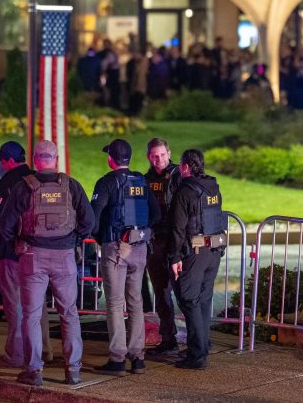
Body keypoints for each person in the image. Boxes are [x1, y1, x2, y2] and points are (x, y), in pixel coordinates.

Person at [0, 140, 94, 387]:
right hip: (64, 257)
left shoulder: (24, 187)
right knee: (69, 314)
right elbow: (88, 221)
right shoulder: (71, 185)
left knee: (31, 315)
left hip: (33, 256)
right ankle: (73, 370)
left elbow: (5, 224)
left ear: (35, 160)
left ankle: (34, 370)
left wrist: (18, 243)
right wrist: (73, 239)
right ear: (56, 159)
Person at [0, 141, 51, 367]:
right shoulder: (36, 179)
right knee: (37, 305)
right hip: (40, 252)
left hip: (13, 252)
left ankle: (18, 354)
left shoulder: (8, 182)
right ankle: (44, 349)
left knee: (15, 304)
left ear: (8, 161)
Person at [91, 139, 160, 376]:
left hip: (116, 248)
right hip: (139, 247)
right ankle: (138, 357)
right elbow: (156, 214)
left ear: (111, 159)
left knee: (114, 303)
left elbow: (93, 218)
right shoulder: (141, 181)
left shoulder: (106, 182)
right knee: (135, 302)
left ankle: (117, 358)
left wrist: (99, 238)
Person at [169, 149, 227, 370]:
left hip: (195, 252)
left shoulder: (185, 191)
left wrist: (175, 256)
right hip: (214, 251)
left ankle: (197, 355)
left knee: (190, 300)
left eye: (181, 165)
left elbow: (177, 228)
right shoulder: (213, 187)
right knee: (203, 300)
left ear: (185, 167)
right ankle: (202, 345)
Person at [143, 138, 182, 355]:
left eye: (162, 155)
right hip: (155, 241)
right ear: (149, 157)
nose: (159, 159)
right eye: (154, 156)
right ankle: (168, 339)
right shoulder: (145, 179)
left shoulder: (178, 176)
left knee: (183, 293)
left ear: (169, 153)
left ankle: (198, 342)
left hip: (175, 242)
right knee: (161, 293)